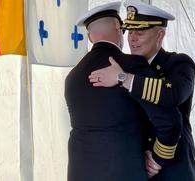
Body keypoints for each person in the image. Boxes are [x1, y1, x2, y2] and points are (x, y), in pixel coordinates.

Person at [65, 2, 183, 181]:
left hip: (80, 173)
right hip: (123, 172)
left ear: (90, 37)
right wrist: (158, 159)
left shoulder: (72, 77)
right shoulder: (132, 65)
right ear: (118, 27)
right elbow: (170, 122)